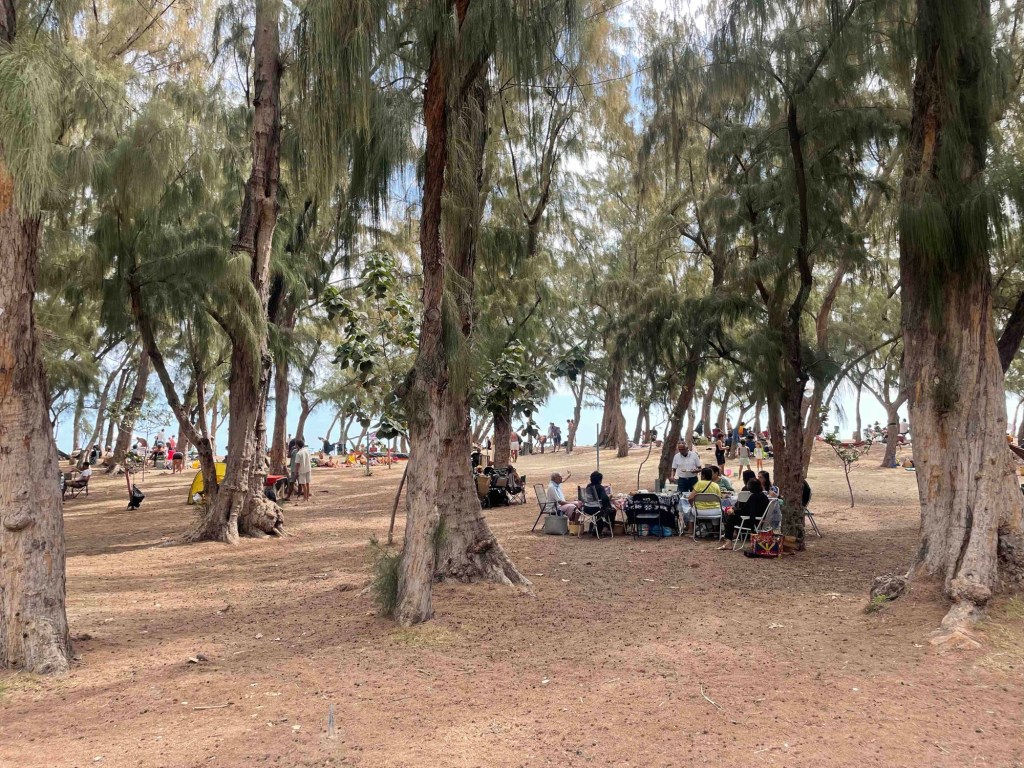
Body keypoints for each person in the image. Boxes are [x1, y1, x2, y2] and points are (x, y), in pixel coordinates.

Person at [720, 478, 770, 550]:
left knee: (731, 518)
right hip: (760, 521)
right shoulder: (764, 496)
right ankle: (732, 536)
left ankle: (729, 543)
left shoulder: (753, 497)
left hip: (752, 522)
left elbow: (746, 511)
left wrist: (734, 511)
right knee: (733, 516)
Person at [687, 466, 721, 535]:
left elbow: (690, 498)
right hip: (714, 511)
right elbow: (719, 498)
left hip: (699, 511)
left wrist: (692, 505)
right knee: (717, 514)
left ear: (703, 476)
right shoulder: (716, 485)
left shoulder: (699, 483)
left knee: (690, 510)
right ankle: (715, 532)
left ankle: (691, 530)